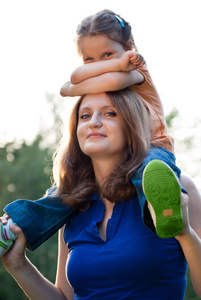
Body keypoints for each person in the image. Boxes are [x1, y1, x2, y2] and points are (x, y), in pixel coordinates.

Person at [0, 9, 189, 256]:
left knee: (152, 171)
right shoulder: (114, 71)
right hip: (113, 161)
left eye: (107, 54)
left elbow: (86, 83)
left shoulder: (137, 72)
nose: (100, 65)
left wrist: (112, 68)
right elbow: (72, 80)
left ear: (129, 47)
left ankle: (161, 213)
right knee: (63, 195)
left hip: (150, 149)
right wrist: (112, 62)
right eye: (89, 59)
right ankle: (13, 228)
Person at [1, 90, 201, 299]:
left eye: (110, 114)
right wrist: (17, 264)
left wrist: (184, 231)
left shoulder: (175, 187)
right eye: (85, 116)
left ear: (132, 124)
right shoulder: (72, 206)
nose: (93, 123)